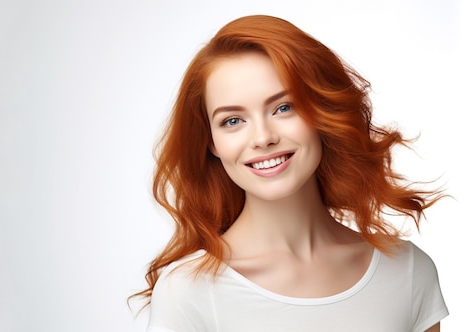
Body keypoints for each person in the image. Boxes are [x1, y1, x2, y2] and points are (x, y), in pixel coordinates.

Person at [131, 15, 448, 332]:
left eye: (283, 107)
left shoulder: (407, 272)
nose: (262, 137)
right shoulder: (188, 292)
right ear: (211, 143)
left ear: (321, 114)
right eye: (232, 121)